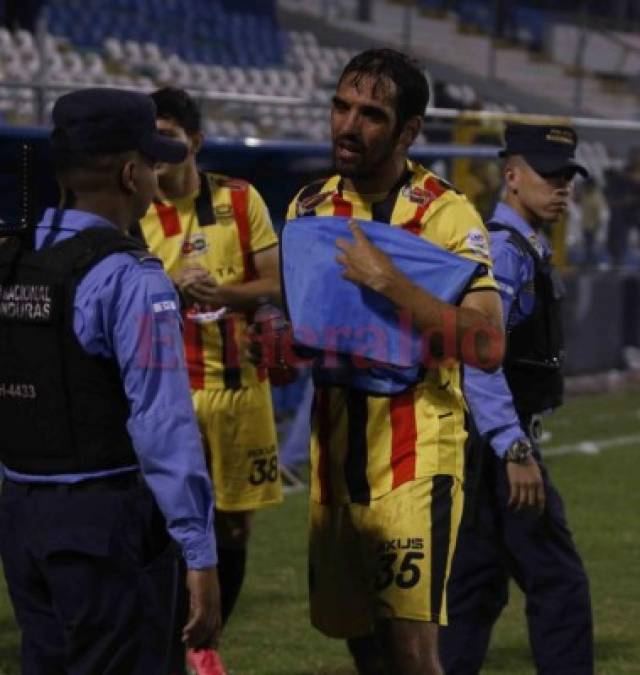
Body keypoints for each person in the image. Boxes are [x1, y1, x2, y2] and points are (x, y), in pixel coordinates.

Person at [284, 48, 504, 675]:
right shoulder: (309, 207)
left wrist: (390, 281)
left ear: (408, 131)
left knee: (413, 655)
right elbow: (311, 330)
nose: (348, 126)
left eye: (372, 114)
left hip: (416, 455)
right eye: (341, 106)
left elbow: (488, 344)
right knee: (362, 642)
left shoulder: (444, 214)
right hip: (337, 457)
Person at [0, 88, 221, 674]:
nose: (156, 176)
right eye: (152, 163)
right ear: (130, 173)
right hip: (106, 527)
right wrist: (199, 554)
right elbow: (163, 422)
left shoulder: (12, 257)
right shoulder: (131, 278)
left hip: (22, 517)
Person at [136, 87, 282, 675]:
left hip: (239, 391)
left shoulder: (240, 200)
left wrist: (222, 294)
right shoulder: (136, 212)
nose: (160, 145)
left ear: (194, 141)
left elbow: (273, 283)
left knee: (234, 527)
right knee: (163, 522)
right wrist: (171, 289)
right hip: (167, 392)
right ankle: (170, 642)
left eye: (169, 133)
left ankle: (204, 642)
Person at [439, 123, 594, 674]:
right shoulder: (505, 254)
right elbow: (481, 357)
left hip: (482, 446)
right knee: (559, 584)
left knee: (473, 589)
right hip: (497, 444)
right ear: (511, 176)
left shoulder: (519, 247)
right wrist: (514, 448)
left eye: (567, 177)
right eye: (548, 175)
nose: (561, 187)